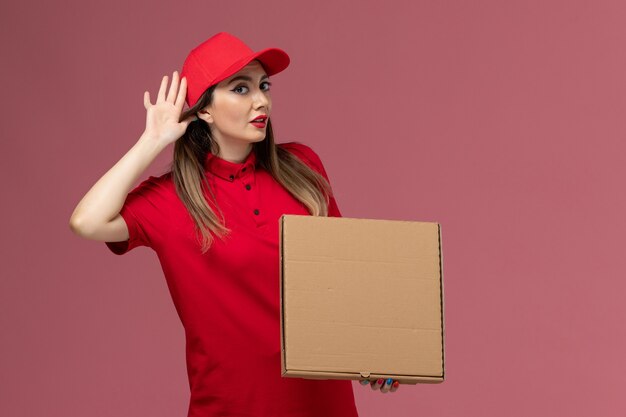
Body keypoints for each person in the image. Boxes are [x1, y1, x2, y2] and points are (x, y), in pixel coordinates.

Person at [69, 32, 401, 417]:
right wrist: (152, 140)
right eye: (240, 88)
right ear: (204, 110)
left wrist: (379, 352)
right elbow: (86, 221)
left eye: (263, 85)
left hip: (322, 405)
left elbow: (343, 276)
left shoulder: (303, 166)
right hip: (229, 407)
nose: (261, 99)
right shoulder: (171, 199)